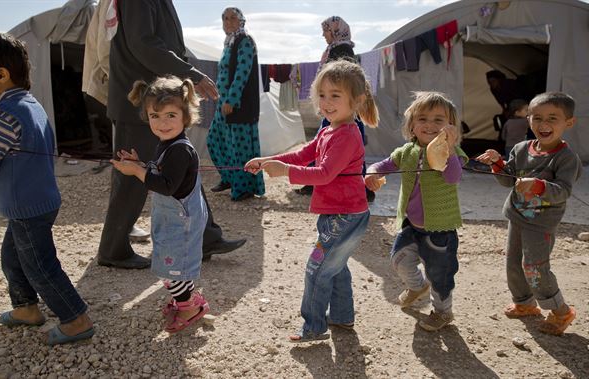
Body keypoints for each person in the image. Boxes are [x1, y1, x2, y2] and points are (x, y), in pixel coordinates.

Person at [0, 33, 94, 345]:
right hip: (39, 200)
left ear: (2, 74)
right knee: (12, 256)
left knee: (39, 265)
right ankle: (26, 308)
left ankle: (76, 319)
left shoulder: (2, 113)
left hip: (27, 205)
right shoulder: (30, 103)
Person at [99, 0, 246, 269]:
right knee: (131, 174)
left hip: (160, 101)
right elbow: (143, 44)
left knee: (183, 164)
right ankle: (113, 249)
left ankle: (206, 237)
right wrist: (191, 73)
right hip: (141, 106)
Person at [245, 60, 379, 342]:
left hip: (346, 215)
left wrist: (286, 173)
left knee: (316, 269)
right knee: (336, 266)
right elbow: (303, 154)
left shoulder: (347, 135)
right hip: (335, 213)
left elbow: (325, 174)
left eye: (335, 96)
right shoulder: (329, 129)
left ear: (356, 101)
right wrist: (269, 160)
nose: (326, 102)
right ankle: (342, 316)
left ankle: (314, 326)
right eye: (322, 95)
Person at [476, 92, 581, 336]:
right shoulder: (522, 149)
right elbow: (508, 181)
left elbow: (563, 191)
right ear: (528, 118)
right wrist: (497, 163)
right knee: (513, 263)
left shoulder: (566, 158)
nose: (543, 125)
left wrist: (538, 185)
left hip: (542, 224)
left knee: (534, 266)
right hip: (516, 216)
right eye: (537, 118)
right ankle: (525, 303)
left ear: (569, 122)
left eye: (552, 118)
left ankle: (560, 310)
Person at [111, 77, 211, 332]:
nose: (163, 123)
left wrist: (136, 171)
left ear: (185, 116)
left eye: (170, 115)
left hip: (181, 223)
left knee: (171, 270)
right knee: (175, 265)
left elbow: (166, 185)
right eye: (155, 116)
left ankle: (189, 307)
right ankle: (187, 299)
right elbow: (162, 174)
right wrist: (141, 164)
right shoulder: (168, 144)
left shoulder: (180, 150)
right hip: (173, 220)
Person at [366, 92, 468, 332]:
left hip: (440, 230)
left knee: (440, 275)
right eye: (422, 118)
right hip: (411, 225)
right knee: (398, 260)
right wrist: (372, 171)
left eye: (438, 120)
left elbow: (452, 177)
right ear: (411, 125)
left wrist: (450, 150)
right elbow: (385, 165)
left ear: (451, 127)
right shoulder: (407, 151)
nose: (430, 125)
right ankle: (416, 285)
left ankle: (443, 312)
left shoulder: (455, 154)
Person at [81, 0, 149, 242]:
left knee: (132, 161)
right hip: (127, 96)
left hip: (126, 94)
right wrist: (127, 87)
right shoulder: (114, 4)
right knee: (128, 162)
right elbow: (106, 52)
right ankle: (117, 237)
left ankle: (203, 232)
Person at [294, 16, 375, 203]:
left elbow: (345, 85)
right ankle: (318, 183)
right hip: (338, 111)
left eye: (326, 30)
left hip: (341, 114)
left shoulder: (342, 50)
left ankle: (356, 188)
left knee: (332, 148)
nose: (323, 34)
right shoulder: (335, 49)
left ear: (336, 31)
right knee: (326, 146)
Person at [207, 7, 265, 201]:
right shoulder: (229, 43)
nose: (228, 22)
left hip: (238, 104)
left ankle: (243, 188)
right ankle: (229, 178)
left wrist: (232, 99)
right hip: (222, 102)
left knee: (239, 147)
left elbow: (242, 73)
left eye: (233, 18)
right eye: (224, 18)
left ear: (241, 21)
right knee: (215, 140)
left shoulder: (245, 41)